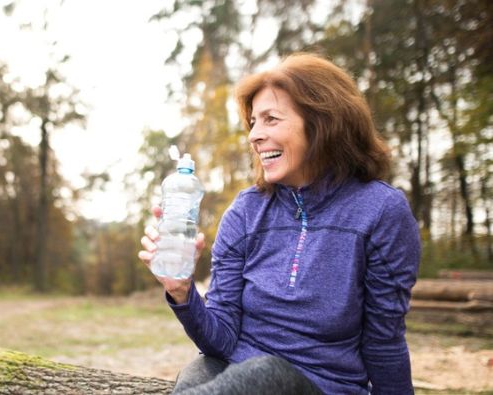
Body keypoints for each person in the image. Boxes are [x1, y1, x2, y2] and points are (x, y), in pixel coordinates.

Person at [138, 53, 420, 395]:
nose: (255, 135)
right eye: (253, 122)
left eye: (271, 119)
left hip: (323, 387)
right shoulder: (245, 212)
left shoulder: (380, 211)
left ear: (322, 122)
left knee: (268, 373)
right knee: (200, 373)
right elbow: (221, 337)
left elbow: (384, 341)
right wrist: (181, 291)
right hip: (236, 376)